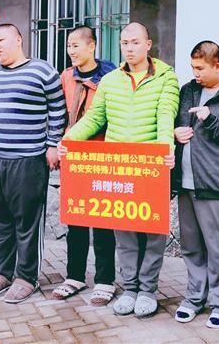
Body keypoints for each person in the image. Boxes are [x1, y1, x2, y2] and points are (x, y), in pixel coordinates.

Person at [61, 22, 179, 319]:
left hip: (150, 168)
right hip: (119, 168)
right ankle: (129, 289)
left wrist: (167, 151)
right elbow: (95, 118)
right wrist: (69, 140)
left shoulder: (166, 77)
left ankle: (148, 290)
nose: (129, 48)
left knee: (152, 235)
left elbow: (166, 116)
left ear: (148, 45)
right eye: (124, 42)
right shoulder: (111, 80)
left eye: (135, 42)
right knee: (125, 236)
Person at [0, 24, 66, 304]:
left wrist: (52, 144)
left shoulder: (42, 71)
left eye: (2, 40)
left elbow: (58, 109)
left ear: (18, 40)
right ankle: (0, 273)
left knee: (27, 222)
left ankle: (26, 277)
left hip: (28, 160)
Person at [171, 41, 219, 328]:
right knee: (191, 247)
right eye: (193, 68)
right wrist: (175, 132)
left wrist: (212, 120)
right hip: (186, 183)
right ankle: (195, 298)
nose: (196, 74)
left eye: (200, 68)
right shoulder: (188, 91)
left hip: (216, 186)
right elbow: (175, 121)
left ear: (218, 66)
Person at [51, 26, 118, 306]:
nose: (71, 51)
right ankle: (74, 277)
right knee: (75, 220)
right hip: (73, 157)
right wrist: (55, 145)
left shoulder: (112, 77)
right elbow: (57, 113)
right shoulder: (66, 77)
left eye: (76, 45)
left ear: (92, 46)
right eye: (69, 46)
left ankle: (105, 281)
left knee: (103, 222)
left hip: (101, 156)